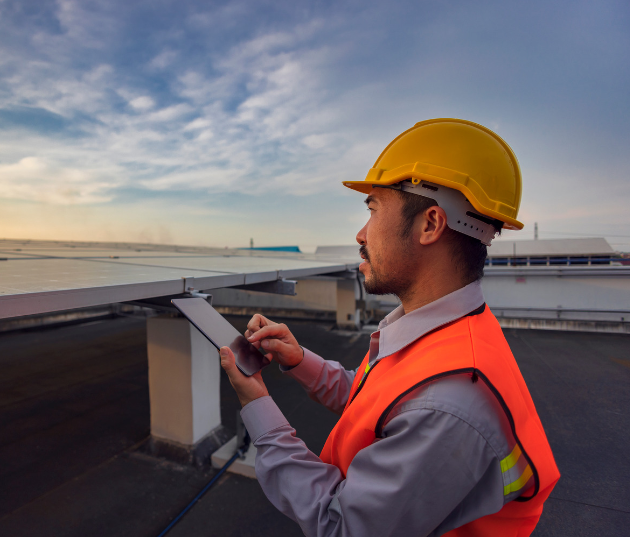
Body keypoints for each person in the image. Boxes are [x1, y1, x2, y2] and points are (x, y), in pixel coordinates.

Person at [219, 118, 560, 536]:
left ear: (430, 224)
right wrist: (299, 360)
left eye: (373, 209)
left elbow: (340, 526)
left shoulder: (449, 402)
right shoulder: (444, 333)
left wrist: (256, 404)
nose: (361, 233)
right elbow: (374, 404)